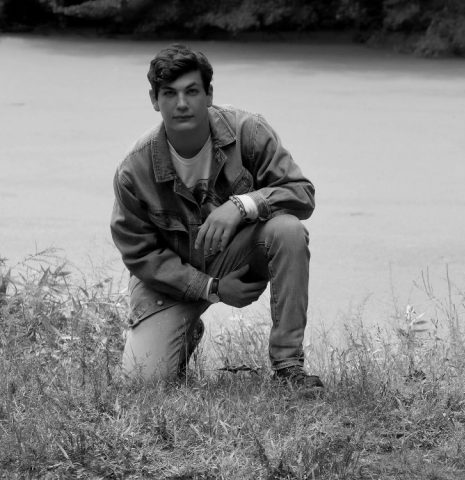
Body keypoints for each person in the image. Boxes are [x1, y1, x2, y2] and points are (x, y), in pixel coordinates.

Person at [110, 43, 322, 390]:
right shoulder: (134, 169)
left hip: (237, 255)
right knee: (143, 382)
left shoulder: (249, 132)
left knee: (288, 230)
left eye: (192, 91)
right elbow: (140, 254)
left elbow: (301, 194)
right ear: (154, 100)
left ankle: (288, 368)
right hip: (171, 280)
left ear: (209, 94)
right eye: (169, 93)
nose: (182, 103)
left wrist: (242, 205)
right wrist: (213, 289)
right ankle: (185, 331)